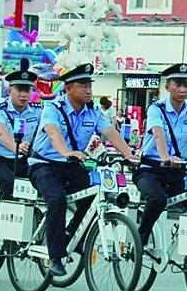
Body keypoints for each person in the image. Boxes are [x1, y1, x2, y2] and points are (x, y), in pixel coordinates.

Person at [29, 63, 139, 277]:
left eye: (90, 85)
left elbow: (110, 132)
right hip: (44, 165)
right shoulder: (53, 108)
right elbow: (53, 132)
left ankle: (72, 236)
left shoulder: (94, 112)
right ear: (68, 88)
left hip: (71, 166)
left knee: (94, 196)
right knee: (57, 200)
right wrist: (66, 151)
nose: (88, 90)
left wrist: (129, 154)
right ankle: (55, 256)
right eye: (83, 85)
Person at [134, 62, 187, 249]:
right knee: (158, 199)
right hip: (152, 170)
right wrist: (166, 157)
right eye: (178, 84)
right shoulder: (156, 109)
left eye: (186, 85)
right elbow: (158, 133)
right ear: (167, 86)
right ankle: (141, 238)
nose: (182, 89)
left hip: (178, 173)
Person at [0, 63, 42, 199]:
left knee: (45, 180)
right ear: (10, 90)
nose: (23, 95)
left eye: (27, 90)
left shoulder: (37, 111)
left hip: (22, 161)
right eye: (19, 90)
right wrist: (16, 147)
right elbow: (0, 132)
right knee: (9, 184)